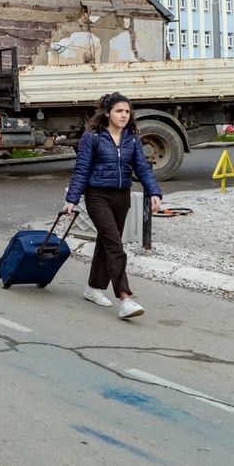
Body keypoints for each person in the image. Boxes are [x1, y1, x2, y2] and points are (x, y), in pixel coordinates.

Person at [64, 92, 163, 320]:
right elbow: (82, 170)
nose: (124, 115)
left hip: (122, 197)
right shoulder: (93, 138)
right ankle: (125, 298)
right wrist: (72, 199)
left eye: (127, 111)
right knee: (115, 244)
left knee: (106, 243)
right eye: (119, 111)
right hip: (97, 196)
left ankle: (93, 288)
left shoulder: (132, 138)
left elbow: (142, 168)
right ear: (107, 113)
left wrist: (154, 192)